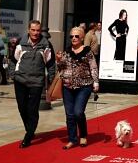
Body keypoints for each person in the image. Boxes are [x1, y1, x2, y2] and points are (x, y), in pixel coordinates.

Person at [55, 27, 99, 149]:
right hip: (67, 86)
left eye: (76, 36)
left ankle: (83, 135)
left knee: (78, 112)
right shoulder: (66, 51)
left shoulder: (87, 52)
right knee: (69, 115)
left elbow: (93, 67)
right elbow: (61, 68)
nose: (73, 38)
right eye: (71, 36)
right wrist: (58, 60)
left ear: (82, 38)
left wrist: (96, 82)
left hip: (84, 86)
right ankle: (72, 139)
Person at [13, 20, 54, 148]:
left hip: (37, 81)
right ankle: (29, 128)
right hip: (20, 80)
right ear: (28, 30)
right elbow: (13, 59)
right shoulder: (20, 43)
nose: (36, 33)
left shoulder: (46, 45)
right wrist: (12, 74)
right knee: (22, 107)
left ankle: (29, 135)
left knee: (32, 109)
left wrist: (52, 79)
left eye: (38, 30)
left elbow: (50, 63)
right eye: (33, 30)